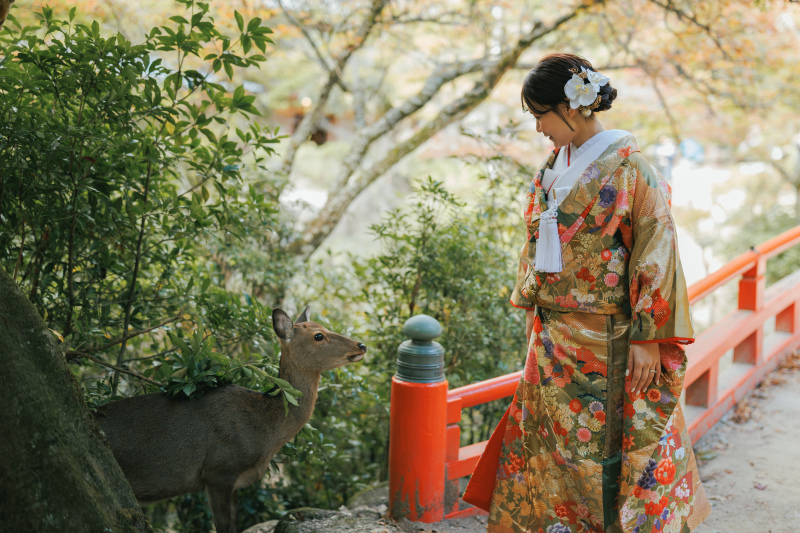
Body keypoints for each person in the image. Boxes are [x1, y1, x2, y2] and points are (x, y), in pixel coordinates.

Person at [463, 54, 710, 533]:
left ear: (570, 107)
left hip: (609, 338)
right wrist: (535, 301)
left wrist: (649, 337)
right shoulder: (554, 165)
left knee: (606, 449)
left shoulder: (631, 168)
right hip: (553, 337)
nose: (538, 128)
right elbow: (538, 242)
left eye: (540, 116)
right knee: (549, 446)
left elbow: (657, 247)